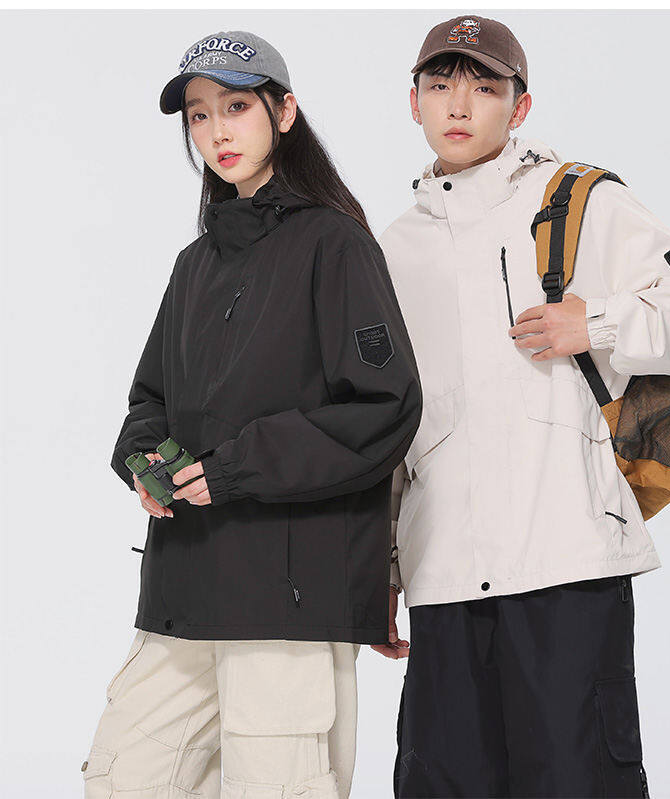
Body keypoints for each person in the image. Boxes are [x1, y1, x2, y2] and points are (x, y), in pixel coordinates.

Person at [372, 14, 670, 799]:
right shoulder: (393, 248)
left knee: (578, 782)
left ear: (521, 107)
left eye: (484, 87)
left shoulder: (579, 199)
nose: (458, 105)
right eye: (440, 85)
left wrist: (596, 323)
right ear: (413, 102)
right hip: (443, 573)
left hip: (566, 563)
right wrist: (385, 571)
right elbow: (392, 421)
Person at [81, 30, 421, 799]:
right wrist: (146, 461)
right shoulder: (195, 265)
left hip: (287, 600)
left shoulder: (335, 245)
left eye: (235, 107)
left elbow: (385, 406)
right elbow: (149, 398)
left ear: (284, 112)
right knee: (121, 778)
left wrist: (235, 468)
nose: (216, 132)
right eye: (199, 116)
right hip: (183, 591)